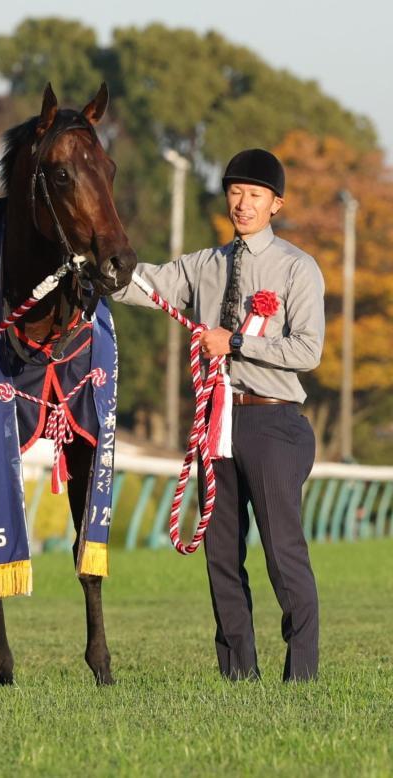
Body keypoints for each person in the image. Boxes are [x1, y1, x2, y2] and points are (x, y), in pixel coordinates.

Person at [114, 149, 324, 682]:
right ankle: (237, 674)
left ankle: (301, 674)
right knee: (221, 554)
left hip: (275, 422)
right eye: (235, 192)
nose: (243, 203)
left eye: (255, 194)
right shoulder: (203, 265)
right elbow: (141, 284)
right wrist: (95, 267)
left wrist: (234, 342)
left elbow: (307, 352)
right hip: (217, 421)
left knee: (282, 551)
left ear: (276, 204)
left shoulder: (298, 268)